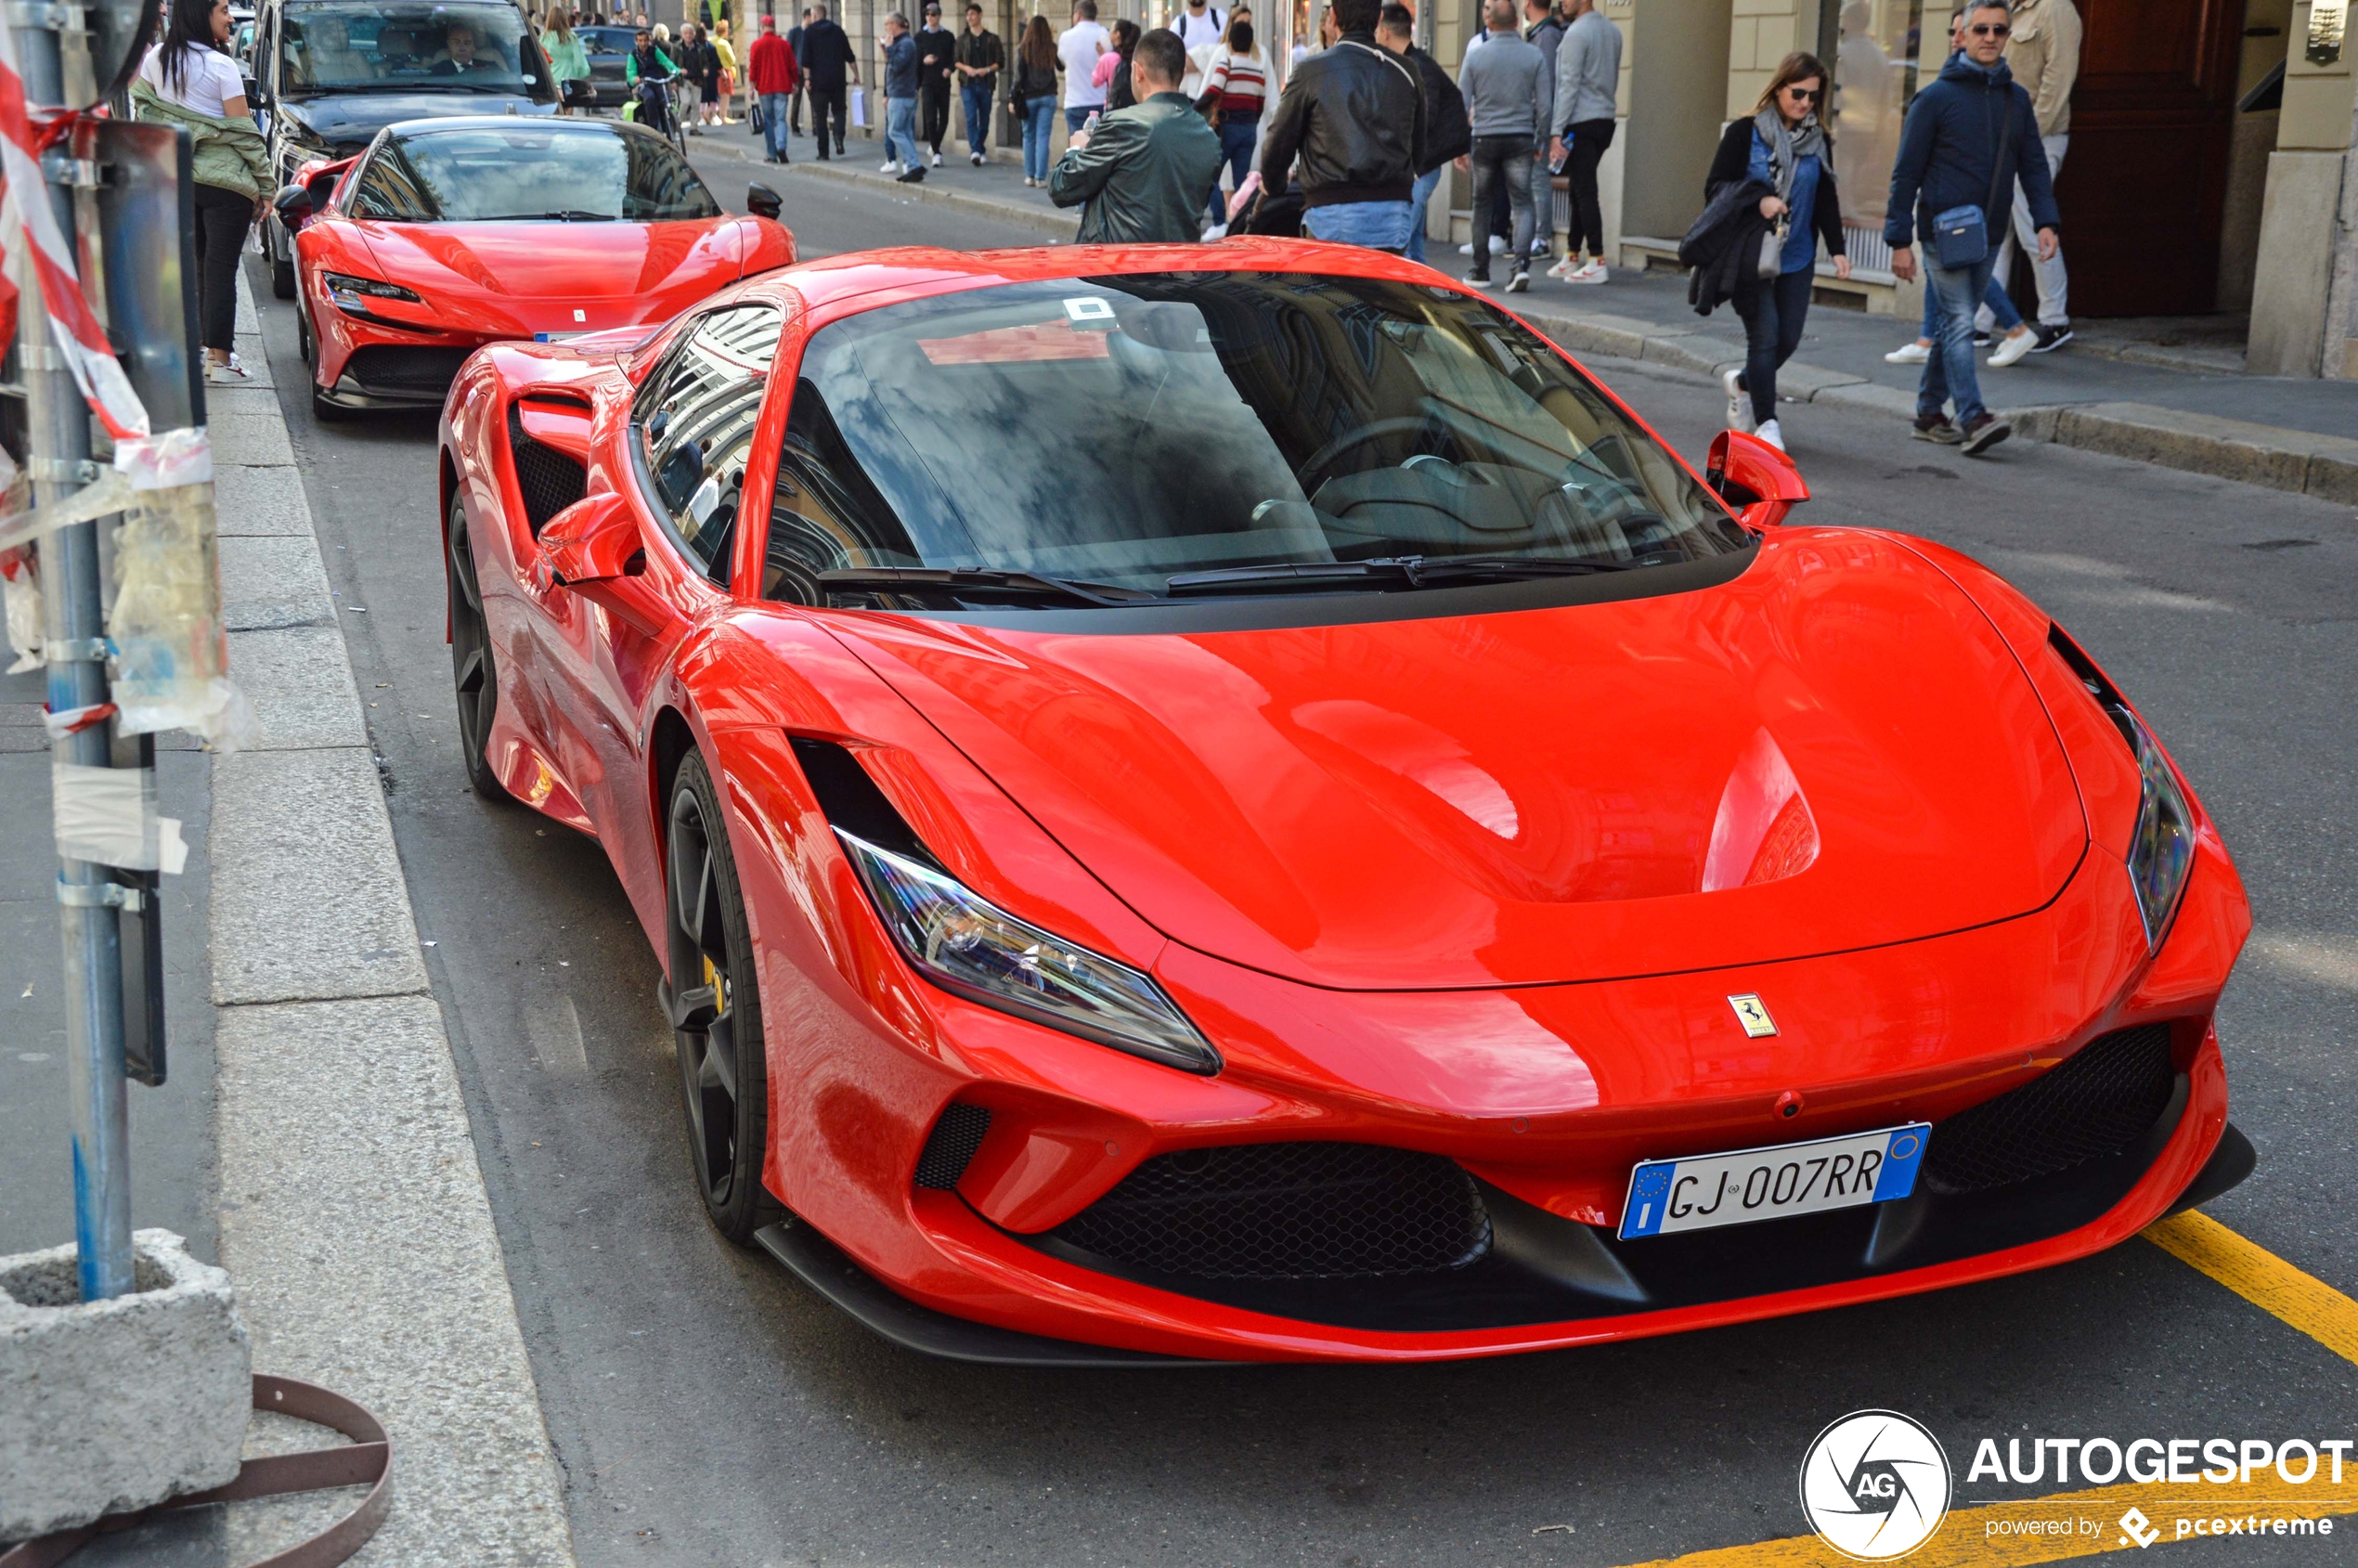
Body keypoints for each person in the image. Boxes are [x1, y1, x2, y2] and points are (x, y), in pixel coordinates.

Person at [1886, 0, 2059, 455]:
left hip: (1990, 231)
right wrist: (1898, 240)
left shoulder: (2016, 100)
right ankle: (1973, 416)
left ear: (2007, 36)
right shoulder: (1935, 98)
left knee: (1950, 324)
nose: (1990, 37)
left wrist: (2045, 221)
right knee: (1961, 321)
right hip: (1941, 232)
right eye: (1980, 29)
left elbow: (2035, 167)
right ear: (1961, 35)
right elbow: (1906, 174)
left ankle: (1928, 413)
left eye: (1999, 30)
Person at [1708, 53, 1850, 451]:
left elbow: (1826, 199)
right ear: (1779, 88)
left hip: (1798, 254)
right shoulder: (1744, 133)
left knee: (1787, 338)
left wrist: (1837, 249)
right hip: (1751, 255)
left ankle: (1743, 383)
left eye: (1813, 97)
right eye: (1798, 93)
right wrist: (1760, 200)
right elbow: (1716, 187)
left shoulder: (1818, 141)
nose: (1804, 103)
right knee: (1765, 337)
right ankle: (1767, 423)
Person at [132, 0, 267, 385]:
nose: (229, 17)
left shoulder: (156, 59)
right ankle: (220, 360)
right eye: (223, 9)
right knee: (221, 269)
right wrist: (267, 185)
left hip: (177, 177)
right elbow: (244, 133)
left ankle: (194, 353)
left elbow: (146, 114)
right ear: (200, 13)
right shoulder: (221, 65)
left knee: (192, 264)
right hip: (226, 184)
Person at [1257, 0, 1425, 251]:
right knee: (1383, 289)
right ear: (1378, 19)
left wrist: (1275, 184)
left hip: (1331, 209)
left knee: (1331, 288)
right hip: (1392, 213)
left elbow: (1278, 143)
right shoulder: (1406, 70)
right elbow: (1419, 147)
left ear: (1333, 19)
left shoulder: (1310, 71)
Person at [1049, 26, 1222, 241]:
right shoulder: (1208, 137)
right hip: (1178, 268)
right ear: (1183, 74)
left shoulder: (1122, 124)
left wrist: (1076, 149)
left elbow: (1062, 188)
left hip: (1120, 267)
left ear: (1138, 72)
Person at [1986, 0, 2077, 349]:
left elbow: (2059, 78)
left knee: (2032, 228)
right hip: (2001, 138)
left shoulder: (2055, 9)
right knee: (1997, 232)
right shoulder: (2008, 7)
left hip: (2038, 139)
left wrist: (2027, 138)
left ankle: (2055, 321)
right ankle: (1982, 321)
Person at [1455, 0, 1548, 291]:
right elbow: (1545, 106)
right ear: (1518, 22)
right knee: (1522, 201)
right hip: (1520, 136)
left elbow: (1462, 102)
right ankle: (1520, 264)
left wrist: (1459, 144)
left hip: (1484, 137)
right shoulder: (1534, 56)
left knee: (1482, 202)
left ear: (1490, 23)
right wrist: (1539, 139)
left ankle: (1480, 269)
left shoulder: (1476, 56)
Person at [1376, 3, 1468, 265]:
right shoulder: (1411, 63)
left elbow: (1426, 116)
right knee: (1413, 239)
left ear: (1385, 33)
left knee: (1401, 237)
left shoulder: (1418, 66)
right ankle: (1423, 292)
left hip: (1421, 167)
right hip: (1419, 165)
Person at [1546, 0, 1618, 282]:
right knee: (1578, 186)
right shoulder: (1613, 31)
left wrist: (1556, 131)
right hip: (1605, 119)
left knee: (1585, 189)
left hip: (1581, 121)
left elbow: (1568, 85)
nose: (1562, 1)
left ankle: (1597, 259)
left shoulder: (1575, 34)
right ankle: (1572, 254)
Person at [1195, 17, 1268, 236]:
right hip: (1249, 130)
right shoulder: (1258, 71)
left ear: (1230, 42)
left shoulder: (1225, 65)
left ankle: (1220, 222)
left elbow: (1213, 91)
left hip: (1227, 128)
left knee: (1212, 175)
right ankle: (1241, 224)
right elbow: (1260, 104)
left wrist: (1195, 108)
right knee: (1242, 181)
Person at [1520, 0, 1562, 266]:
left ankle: (1541, 237)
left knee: (1538, 176)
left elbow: (1545, 85)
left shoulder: (1546, 35)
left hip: (1540, 120)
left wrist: (1541, 125)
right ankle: (1533, 235)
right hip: (1535, 118)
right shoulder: (1540, 34)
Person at [800, 2, 855, 159]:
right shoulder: (838, 31)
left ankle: (823, 152)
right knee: (839, 111)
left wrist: (806, 79)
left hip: (819, 82)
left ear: (815, 15)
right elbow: (849, 56)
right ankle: (839, 137)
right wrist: (856, 74)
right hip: (838, 80)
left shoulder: (809, 33)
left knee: (821, 116)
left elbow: (806, 60)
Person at [1011, 15, 1061, 185]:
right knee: (1043, 136)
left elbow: (1018, 77)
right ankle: (1041, 177)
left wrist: (1012, 97)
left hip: (1029, 97)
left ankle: (1030, 175)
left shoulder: (1023, 48)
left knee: (1028, 136)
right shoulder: (1051, 48)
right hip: (1048, 96)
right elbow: (1061, 66)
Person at [953, 2, 1001, 164]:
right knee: (971, 116)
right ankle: (975, 150)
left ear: (980, 16)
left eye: (973, 14)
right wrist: (966, 68)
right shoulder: (962, 39)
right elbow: (956, 61)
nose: (970, 18)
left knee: (985, 119)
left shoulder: (991, 39)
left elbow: (1000, 62)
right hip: (968, 83)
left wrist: (986, 70)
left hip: (986, 82)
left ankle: (980, 147)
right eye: (968, 15)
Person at [750, 12, 799, 162]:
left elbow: (753, 68)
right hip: (782, 86)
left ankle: (771, 153)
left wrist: (751, 88)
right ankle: (781, 147)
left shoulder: (756, 45)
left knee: (769, 121)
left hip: (764, 88)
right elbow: (792, 66)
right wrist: (795, 83)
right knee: (781, 119)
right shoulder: (784, 45)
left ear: (763, 27)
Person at [880, 11, 924, 178]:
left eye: (887, 24)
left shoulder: (905, 44)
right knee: (905, 132)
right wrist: (886, 48)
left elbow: (897, 66)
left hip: (901, 94)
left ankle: (913, 164)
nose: (885, 28)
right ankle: (914, 166)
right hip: (900, 93)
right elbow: (890, 65)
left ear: (895, 25)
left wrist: (889, 48)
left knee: (895, 131)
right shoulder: (902, 43)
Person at [1057, 0, 1110, 135]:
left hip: (1075, 101)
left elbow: (1062, 60)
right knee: (1097, 148)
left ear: (1078, 14)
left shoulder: (1066, 37)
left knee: (1077, 146)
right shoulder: (1104, 35)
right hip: (1099, 100)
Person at [915, 3, 955, 164]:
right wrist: (924, 60)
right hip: (927, 82)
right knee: (930, 119)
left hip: (943, 82)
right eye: (928, 15)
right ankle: (937, 153)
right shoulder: (919, 37)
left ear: (939, 16)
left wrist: (949, 69)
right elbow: (914, 59)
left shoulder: (947, 36)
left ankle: (934, 145)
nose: (930, 18)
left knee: (944, 119)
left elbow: (954, 58)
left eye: (933, 14)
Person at [625, 25, 678, 136]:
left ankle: (671, 126)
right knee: (650, 98)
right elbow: (630, 71)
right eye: (640, 41)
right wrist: (634, 79)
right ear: (636, 41)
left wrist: (676, 70)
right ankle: (653, 130)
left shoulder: (654, 50)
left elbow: (665, 61)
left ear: (649, 40)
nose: (643, 43)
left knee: (665, 99)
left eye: (645, 40)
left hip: (657, 80)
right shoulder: (634, 55)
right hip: (644, 83)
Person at [541, 7, 590, 106]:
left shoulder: (544, 38)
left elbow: (541, 61)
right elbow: (579, 60)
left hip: (552, 77)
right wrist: (582, 74)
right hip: (569, 77)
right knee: (569, 109)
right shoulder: (571, 37)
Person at [434, 18, 505, 73]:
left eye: (467, 43)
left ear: (473, 47)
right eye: (456, 42)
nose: (462, 48)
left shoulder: (492, 64)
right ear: (449, 45)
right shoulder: (438, 69)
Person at [1099, 18, 1139, 110]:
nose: (1109, 33)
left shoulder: (1120, 59)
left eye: (1112, 30)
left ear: (1117, 34)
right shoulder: (1130, 54)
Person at [711, 19, 739, 123]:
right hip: (725, 71)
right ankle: (723, 116)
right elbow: (732, 59)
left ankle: (707, 113)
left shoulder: (710, 40)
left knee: (713, 94)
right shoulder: (724, 43)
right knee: (725, 95)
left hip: (712, 71)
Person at [789, 6, 811, 135]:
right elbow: (789, 51)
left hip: (809, 71)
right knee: (796, 100)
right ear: (807, 17)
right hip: (797, 71)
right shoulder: (794, 32)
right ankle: (794, 127)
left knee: (813, 100)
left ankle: (816, 128)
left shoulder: (811, 33)